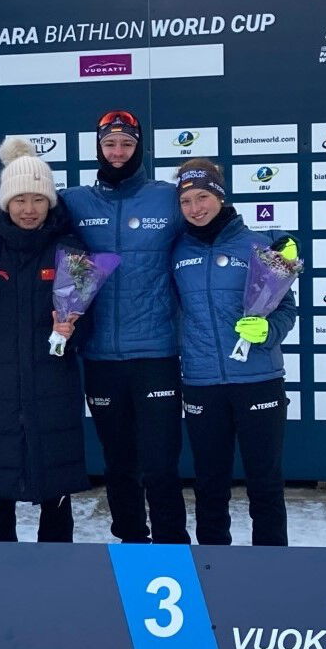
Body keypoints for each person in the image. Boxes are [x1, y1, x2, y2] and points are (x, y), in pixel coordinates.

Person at [0, 137, 91, 542]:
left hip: (52, 382)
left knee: (55, 486)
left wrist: (71, 331)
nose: (29, 209)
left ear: (51, 203)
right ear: (6, 201)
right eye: (20, 199)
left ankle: (58, 569)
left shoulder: (70, 249)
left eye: (38, 200)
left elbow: (87, 321)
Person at [60, 110, 190, 544]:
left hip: (156, 352)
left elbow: (214, 224)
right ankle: (132, 542)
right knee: (118, 463)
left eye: (127, 144)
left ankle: (172, 545)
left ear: (139, 147)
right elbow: (18, 208)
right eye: (109, 144)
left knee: (159, 464)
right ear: (98, 147)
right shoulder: (74, 200)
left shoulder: (167, 199)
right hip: (100, 356)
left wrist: (273, 249)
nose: (117, 153)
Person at [170, 158, 298, 546]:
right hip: (201, 383)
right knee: (209, 484)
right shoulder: (175, 251)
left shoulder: (260, 245)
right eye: (186, 200)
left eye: (203, 197)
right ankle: (214, 566)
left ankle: (272, 567)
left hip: (258, 382)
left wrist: (267, 330)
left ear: (220, 197)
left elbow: (287, 308)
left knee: (265, 482)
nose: (195, 208)